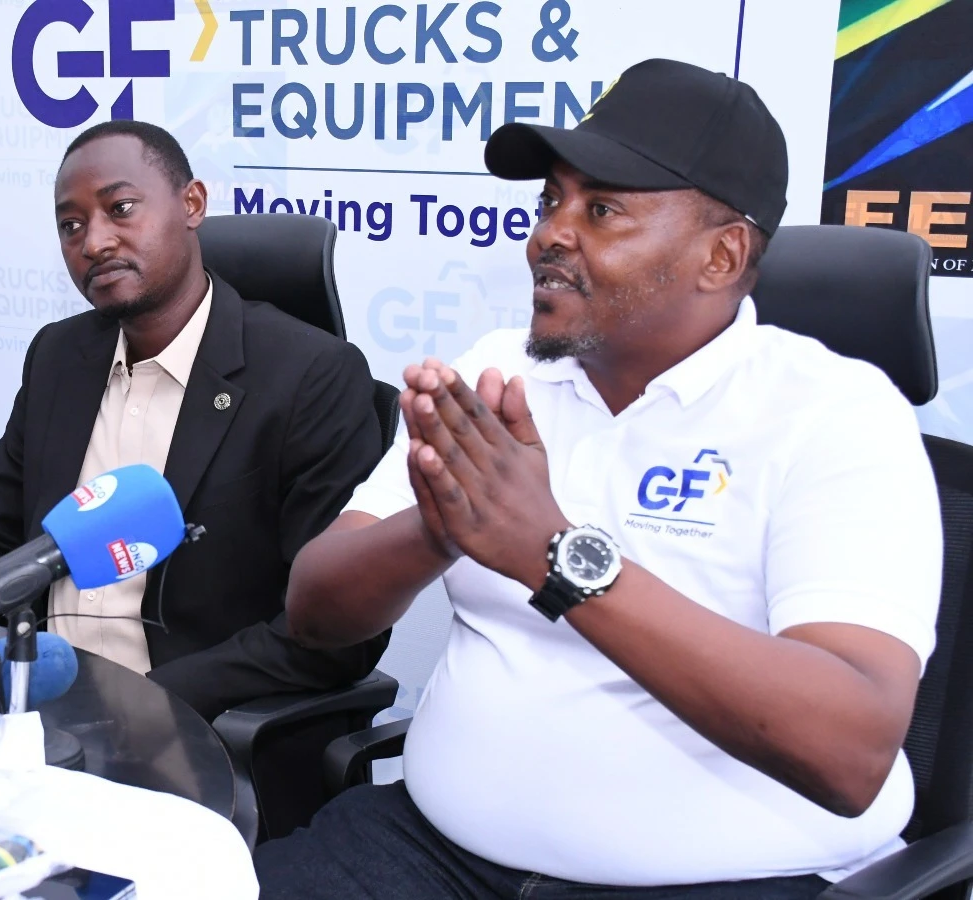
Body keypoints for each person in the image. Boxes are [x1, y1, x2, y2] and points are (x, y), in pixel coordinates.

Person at [259, 58, 941, 898]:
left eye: (603, 208)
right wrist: (441, 524)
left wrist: (551, 552)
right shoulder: (496, 373)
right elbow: (317, 615)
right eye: (551, 200)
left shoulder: (835, 413)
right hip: (428, 854)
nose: (548, 233)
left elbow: (851, 751)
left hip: (730, 882)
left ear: (721, 256)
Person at [0, 120, 388, 832]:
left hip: (188, 733)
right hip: (35, 720)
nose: (95, 241)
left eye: (121, 208)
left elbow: (333, 631)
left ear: (193, 204)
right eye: (71, 224)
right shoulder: (59, 357)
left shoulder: (310, 376)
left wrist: (142, 700)